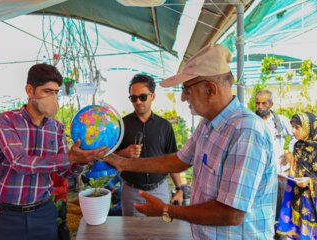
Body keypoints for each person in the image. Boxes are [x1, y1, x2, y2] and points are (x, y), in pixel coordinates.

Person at [103, 44, 277, 239]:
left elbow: (232, 213)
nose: (183, 97)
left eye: (187, 89)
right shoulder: (207, 125)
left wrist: (167, 210)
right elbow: (178, 160)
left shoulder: (246, 132)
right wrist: (124, 162)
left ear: (210, 89)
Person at [0, 63, 109, 240]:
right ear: (30, 90)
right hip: (8, 215)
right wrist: (69, 157)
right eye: (46, 91)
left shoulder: (56, 128)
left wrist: (80, 160)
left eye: (55, 92)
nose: (52, 97)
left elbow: (63, 171)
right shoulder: (4, 121)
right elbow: (20, 161)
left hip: (43, 213)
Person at [115, 74, 183, 216]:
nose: (138, 101)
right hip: (131, 191)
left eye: (143, 97)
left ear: (153, 96)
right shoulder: (121, 125)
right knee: (131, 234)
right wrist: (124, 153)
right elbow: (109, 156)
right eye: (133, 98)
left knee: (159, 233)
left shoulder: (165, 126)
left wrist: (179, 189)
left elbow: (172, 160)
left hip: (159, 190)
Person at [254, 89, 295, 239]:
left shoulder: (280, 121)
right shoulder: (252, 121)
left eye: (264, 103)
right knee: (260, 209)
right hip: (258, 175)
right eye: (257, 103)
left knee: (279, 210)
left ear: (271, 104)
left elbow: (296, 135)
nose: (260, 106)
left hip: (278, 174)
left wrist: (290, 151)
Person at [277, 112, 317, 239]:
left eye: (297, 127)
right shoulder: (298, 146)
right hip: (299, 200)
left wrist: (310, 181)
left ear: (308, 127)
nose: (293, 131)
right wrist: (286, 175)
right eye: (292, 127)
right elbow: (296, 171)